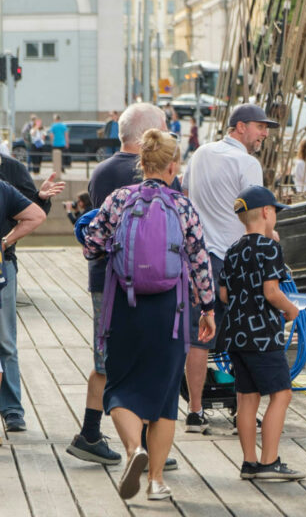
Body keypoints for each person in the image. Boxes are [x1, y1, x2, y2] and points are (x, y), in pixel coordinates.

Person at [83, 129, 216, 501]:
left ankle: (131, 450)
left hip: (125, 306)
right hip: (169, 312)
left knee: (120, 387)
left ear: (142, 163)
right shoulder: (183, 206)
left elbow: (92, 247)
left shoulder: (119, 199)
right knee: (164, 398)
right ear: (174, 165)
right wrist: (208, 309)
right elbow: (201, 262)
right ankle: (156, 481)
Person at [67, 103, 169, 466]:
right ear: (149, 134)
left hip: (103, 276)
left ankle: (91, 432)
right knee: (145, 358)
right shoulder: (155, 176)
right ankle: (143, 444)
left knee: (105, 357)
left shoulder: (102, 172)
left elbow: (95, 227)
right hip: (146, 280)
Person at [181, 103, 277, 433]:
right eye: (260, 127)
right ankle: (242, 413)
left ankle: (194, 413)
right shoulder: (248, 164)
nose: (264, 134)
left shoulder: (199, 154)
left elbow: (184, 194)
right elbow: (257, 215)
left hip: (198, 258)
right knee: (243, 336)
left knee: (198, 338)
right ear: (240, 127)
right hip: (235, 258)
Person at [219, 185, 305, 481]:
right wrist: (291, 309)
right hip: (263, 336)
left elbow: (222, 294)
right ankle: (269, 462)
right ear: (267, 213)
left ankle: (249, 463)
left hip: (236, 335)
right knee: (281, 394)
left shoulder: (232, 250)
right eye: (275, 212)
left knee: (246, 398)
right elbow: (272, 291)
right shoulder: (270, 247)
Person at [0, 165, 55, 432]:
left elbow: (35, 212)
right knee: (6, 341)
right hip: (3, 265)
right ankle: (12, 411)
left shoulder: (10, 174)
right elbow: (34, 216)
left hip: (4, 265)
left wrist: (5, 242)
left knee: (6, 341)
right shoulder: (3, 186)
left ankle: (12, 408)